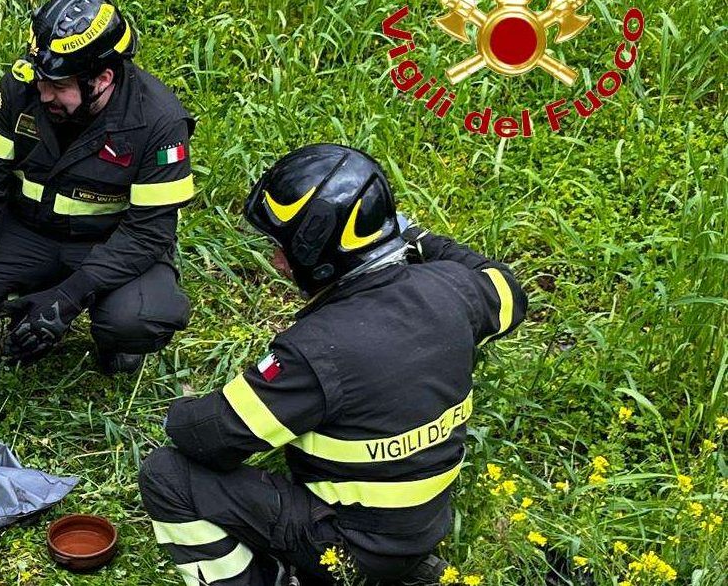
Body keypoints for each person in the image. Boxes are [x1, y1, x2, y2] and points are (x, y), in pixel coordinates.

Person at [138, 144, 528, 585]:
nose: (276, 261)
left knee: (167, 475)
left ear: (317, 253)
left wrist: (181, 411)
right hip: (420, 529)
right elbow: (506, 285)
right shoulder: (456, 290)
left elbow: (212, 437)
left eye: (281, 248)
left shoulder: (317, 349)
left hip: (346, 547)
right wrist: (415, 238)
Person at [0, 0, 196, 375]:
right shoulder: (20, 89)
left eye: (59, 87)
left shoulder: (159, 123)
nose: (44, 95)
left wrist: (68, 298)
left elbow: (148, 234)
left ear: (103, 79)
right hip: (29, 231)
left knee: (138, 318)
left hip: (109, 243)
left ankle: (114, 338)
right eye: (42, 81)